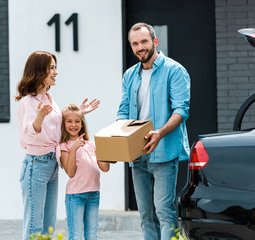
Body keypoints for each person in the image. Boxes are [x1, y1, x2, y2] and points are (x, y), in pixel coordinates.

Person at [117, 23, 190, 240]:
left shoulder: (175, 71)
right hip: (136, 153)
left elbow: (181, 110)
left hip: (164, 151)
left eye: (144, 42)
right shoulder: (130, 75)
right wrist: (119, 137)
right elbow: (122, 111)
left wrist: (159, 133)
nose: (140, 47)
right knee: (146, 215)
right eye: (135, 43)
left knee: (164, 213)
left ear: (155, 42)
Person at [16, 51, 100, 240]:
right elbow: (29, 132)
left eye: (55, 67)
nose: (56, 72)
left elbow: (58, 123)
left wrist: (79, 112)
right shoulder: (27, 102)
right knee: (34, 228)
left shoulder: (49, 98)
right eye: (52, 68)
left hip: (52, 165)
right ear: (40, 71)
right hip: (35, 166)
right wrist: (38, 118)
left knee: (48, 227)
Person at [59, 104, 110, 240]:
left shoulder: (91, 144)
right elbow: (70, 172)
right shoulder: (64, 146)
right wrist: (74, 149)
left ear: (82, 124)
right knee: (76, 236)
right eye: (69, 121)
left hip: (93, 194)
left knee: (92, 235)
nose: (73, 125)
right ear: (63, 124)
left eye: (77, 121)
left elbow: (105, 168)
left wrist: (108, 150)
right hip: (75, 196)